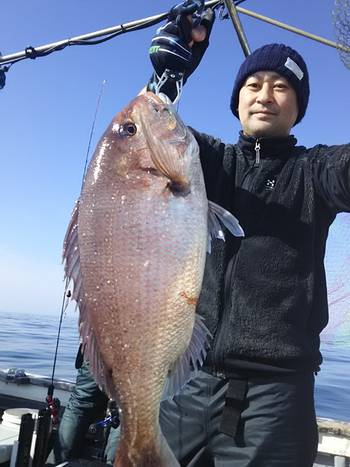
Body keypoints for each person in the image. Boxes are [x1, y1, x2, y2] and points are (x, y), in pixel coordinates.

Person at [110, 1, 350, 466]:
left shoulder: (316, 170)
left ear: (298, 108)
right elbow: (138, 137)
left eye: (282, 87)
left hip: (274, 397)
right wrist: (166, 82)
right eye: (253, 84)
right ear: (237, 99)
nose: (265, 95)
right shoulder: (208, 161)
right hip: (186, 381)